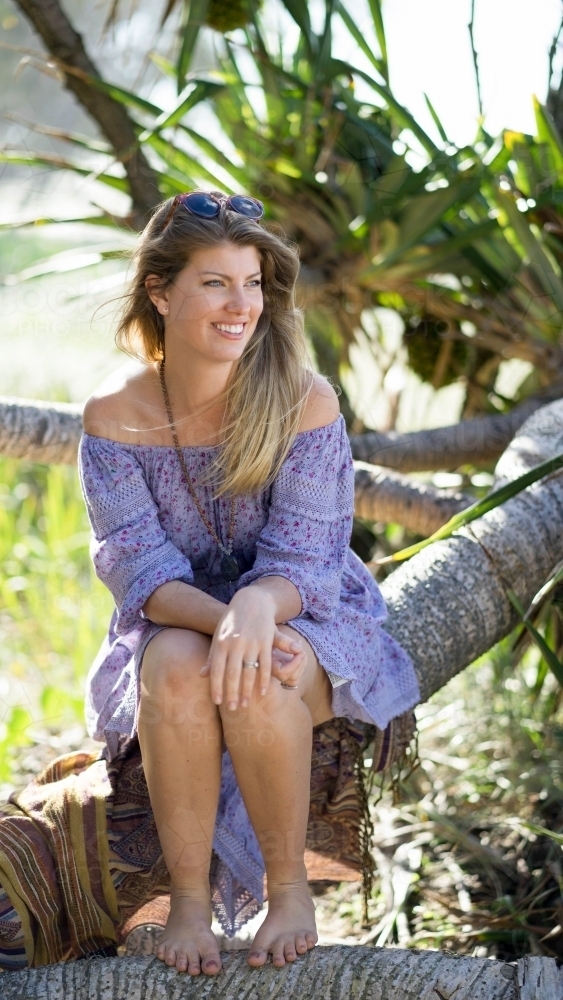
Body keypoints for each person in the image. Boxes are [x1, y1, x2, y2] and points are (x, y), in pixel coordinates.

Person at [79, 190, 420, 977]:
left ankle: (289, 889)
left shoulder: (303, 398)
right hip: (177, 615)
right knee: (170, 663)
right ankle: (189, 904)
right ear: (160, 292)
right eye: (215, 283)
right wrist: (224, 620)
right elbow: (136, 566)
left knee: (268, 675)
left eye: (254, 283)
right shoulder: (111, 413)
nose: (242, 306)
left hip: (306, 606)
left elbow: (306, 557)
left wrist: (257, 612)